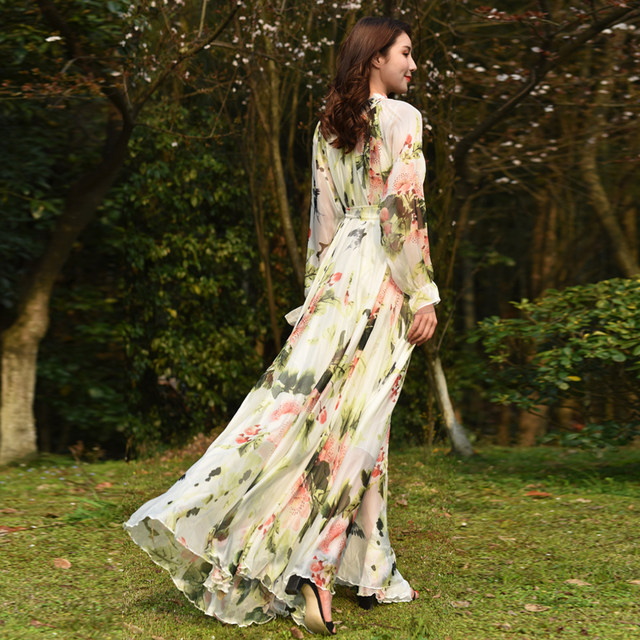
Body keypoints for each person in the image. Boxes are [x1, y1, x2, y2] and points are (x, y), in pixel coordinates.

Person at [124, 15, 439, 636]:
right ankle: (313, 570)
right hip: (381, 274)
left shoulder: (330, 123)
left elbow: (322, 215)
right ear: (375, 57)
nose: (412, 65)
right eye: (405, 53)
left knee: (344, 416)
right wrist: (423, 290)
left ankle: (370, 567)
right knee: (360, 420)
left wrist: (313, 294)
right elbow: (403, 211)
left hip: (337, 275)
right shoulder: (403, 119)